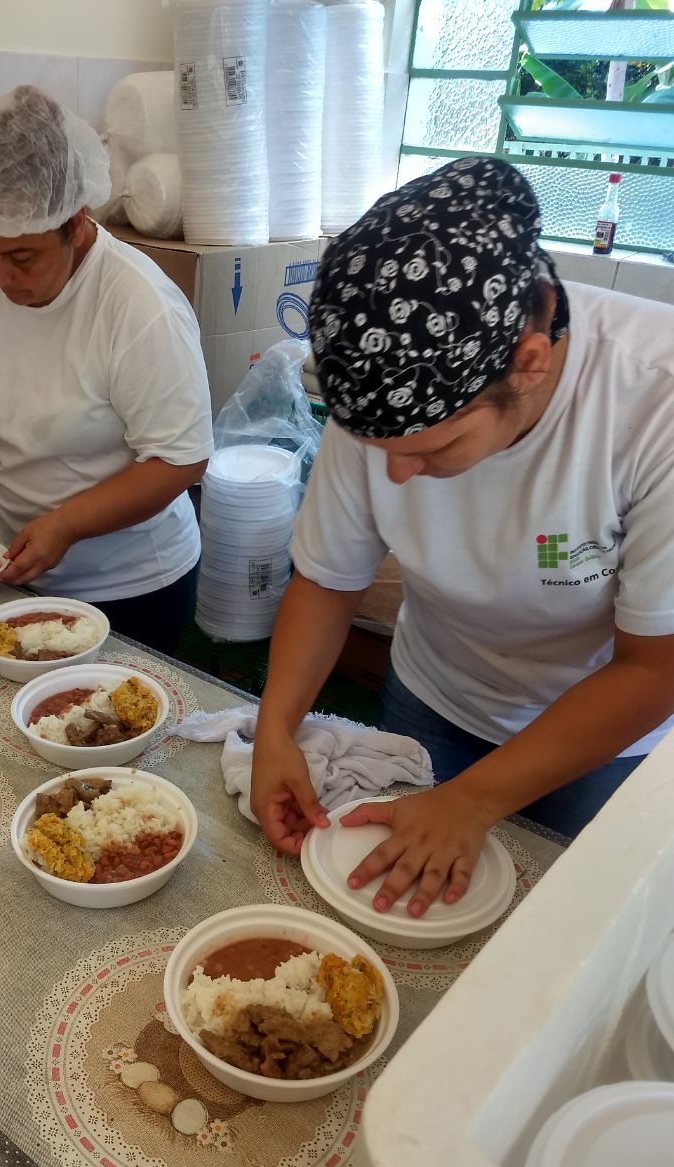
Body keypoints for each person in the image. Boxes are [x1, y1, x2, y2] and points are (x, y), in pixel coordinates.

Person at [251, 156, 674, 919]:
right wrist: (276, 728)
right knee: (389, 905)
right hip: (435, 692)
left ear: (530, 363)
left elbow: (653, 668)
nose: (401, 476)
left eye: (435, 449)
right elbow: (328, 578)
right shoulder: (382, 391)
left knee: (552, 933)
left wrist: (472, 802)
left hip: (601, 733)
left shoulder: (653, 400)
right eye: (381, 451)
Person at [0, 85, 212, 654]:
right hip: (18, 565)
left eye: (21, 257)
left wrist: (69, 523)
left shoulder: (138, 306)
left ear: (75, 225)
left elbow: (179, 458)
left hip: (131, 584)